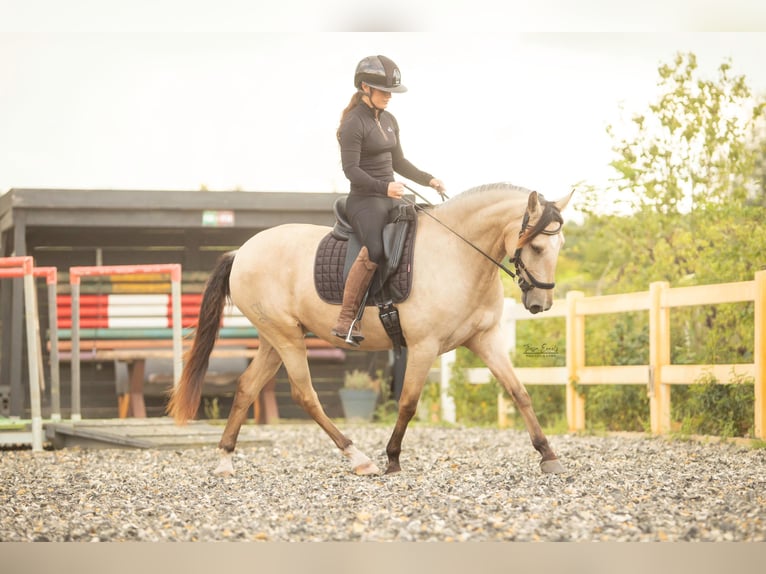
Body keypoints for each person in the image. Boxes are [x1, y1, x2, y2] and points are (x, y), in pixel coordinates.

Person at [332, 54, 446, 345]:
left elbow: (400, 162)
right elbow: (351, 171)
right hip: (365, 201)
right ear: (364, 88)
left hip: (390, 195)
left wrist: (428, 179)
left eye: (391, 92)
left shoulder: (390, 120)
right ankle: (347, 318)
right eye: (383, 91)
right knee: (376, 249)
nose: (389, 97)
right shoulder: (352, 124)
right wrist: (384, 189)